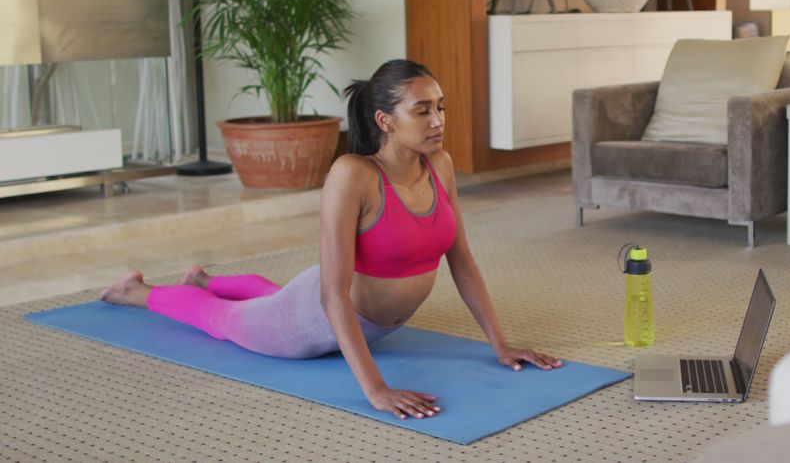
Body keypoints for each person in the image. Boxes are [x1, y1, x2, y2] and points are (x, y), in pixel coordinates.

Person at [100, 59, 563, 421]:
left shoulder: (439, 165)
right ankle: (134, 291)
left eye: (440, 106)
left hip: (363, 320)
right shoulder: (353, 175)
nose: (437, 119)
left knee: (268, 296)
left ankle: (204, 277)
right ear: (384, 120)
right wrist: (375, 389)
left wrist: (500, 344)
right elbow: (331, 293)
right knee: (224, 320)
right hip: (311, 321)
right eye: (421, 110)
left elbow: (462, 263)